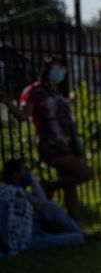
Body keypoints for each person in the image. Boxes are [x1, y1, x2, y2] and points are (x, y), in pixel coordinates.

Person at [0, 57, 93, 222]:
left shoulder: (55, 92)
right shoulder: (36, 91)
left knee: (70, 187)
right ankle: (48, 186)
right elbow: (23, 116)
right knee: (85, 173)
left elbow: (59, 112)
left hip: (67, 144)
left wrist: (70, 100)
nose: (60, 73)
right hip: (52, 145)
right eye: (57, 69)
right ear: (47, 70)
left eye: (63, 70)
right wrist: (7, 101)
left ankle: (74, 228)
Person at [0, 159, 84, 258]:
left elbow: (42, 201)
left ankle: (71, 231)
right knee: (79, 237)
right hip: (28, 241)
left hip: (31, 229)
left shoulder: (10, 191)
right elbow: (41, 200)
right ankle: (77, 232)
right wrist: (33, 179)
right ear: (15, 175)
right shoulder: (16, 193)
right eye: (24, 171)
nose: (27, 174)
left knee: (48, 206)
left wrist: (32, 179)